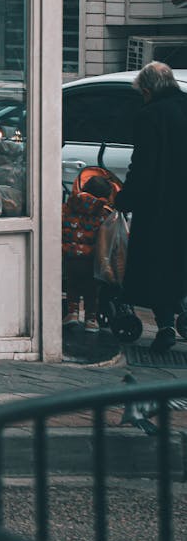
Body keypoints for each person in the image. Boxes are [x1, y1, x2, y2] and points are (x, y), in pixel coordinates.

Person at [114, 61, 187, 354]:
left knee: (158, 267)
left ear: (147, 90)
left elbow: (143, 166)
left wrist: (125, 199)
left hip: (159, 208)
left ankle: (166, 325)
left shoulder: (149, 117)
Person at [62, 172, 116, 332]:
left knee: (72, 285)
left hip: (71, 255)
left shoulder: (70, 205)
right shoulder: (103, 212)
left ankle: (72, 314)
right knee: (91, 289)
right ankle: (91, 319)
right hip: (92, 259)